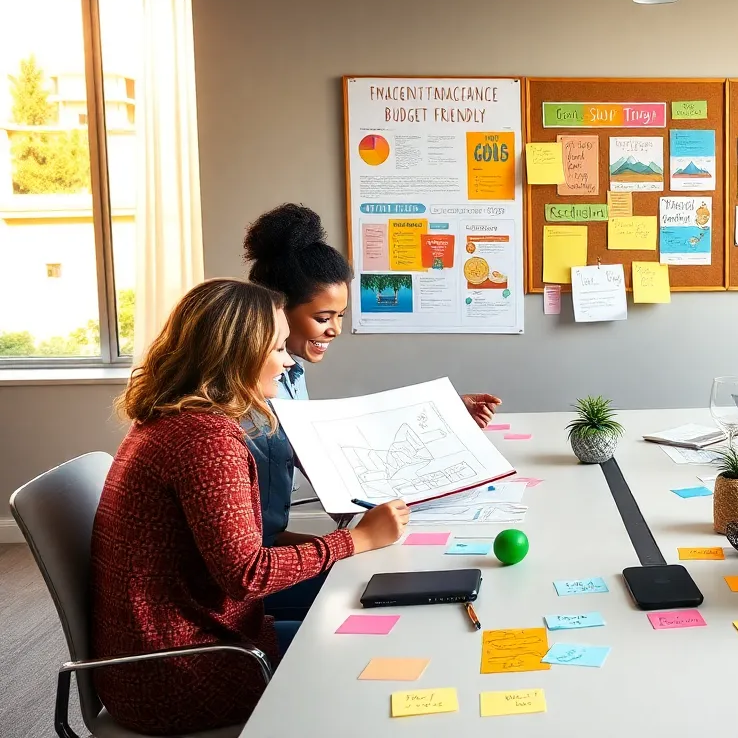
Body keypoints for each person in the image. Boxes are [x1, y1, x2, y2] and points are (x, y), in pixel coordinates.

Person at [91, 278, 410, 735]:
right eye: (278, 348)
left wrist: (349, 543)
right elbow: (248, 575)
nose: (287, 362)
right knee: (372, 645)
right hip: (181, 675)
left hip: (154, 660)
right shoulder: (206, 440)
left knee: (358, 605)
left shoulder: (170, 420)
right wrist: (357, 539)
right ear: (236, 354)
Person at [242, 204, 500, 619]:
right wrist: (356, 539)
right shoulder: (232, 408)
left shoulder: (289, 374)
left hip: (267, 549)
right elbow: (245, 571)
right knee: (388, 592)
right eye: (323, 317)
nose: (335, 329)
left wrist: (446, 414)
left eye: (340, 316)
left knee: (403, 572)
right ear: (277, 312)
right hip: (254, 568)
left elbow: (326, 444)